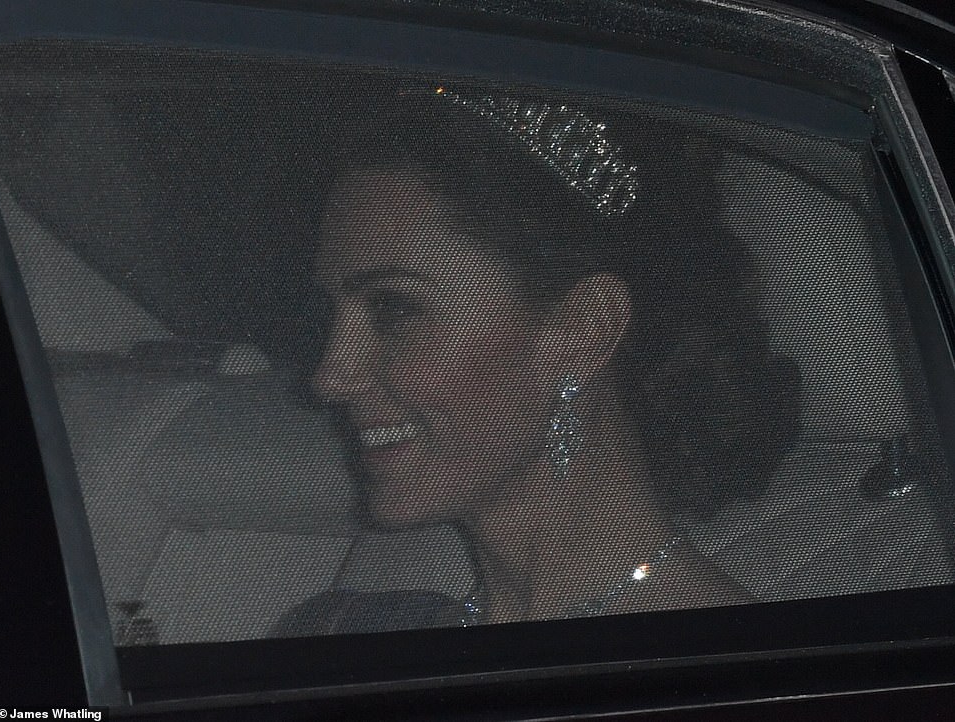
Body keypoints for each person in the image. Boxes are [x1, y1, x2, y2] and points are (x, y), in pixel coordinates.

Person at [274, 80, 801, 635]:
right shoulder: (345, 631)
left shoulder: (737, 666)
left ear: (581, 330)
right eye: (332, 312)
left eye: (395, 310)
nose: (330, 378)